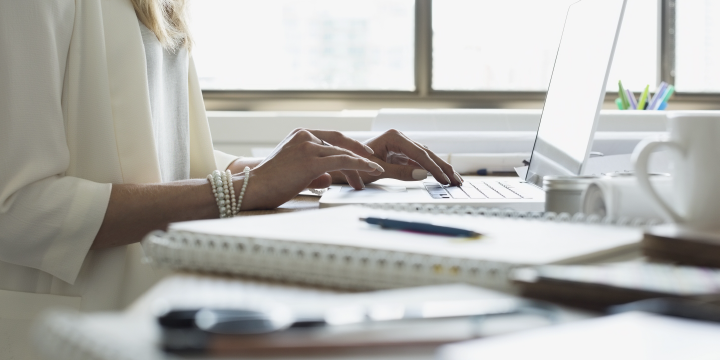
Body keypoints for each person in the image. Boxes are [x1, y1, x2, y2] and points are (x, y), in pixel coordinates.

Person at [0, 0, 461, 358]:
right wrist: (245, 189)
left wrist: (300, 167)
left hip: (145, 308)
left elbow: (167, 164)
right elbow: (13, 209)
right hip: (58, 329)